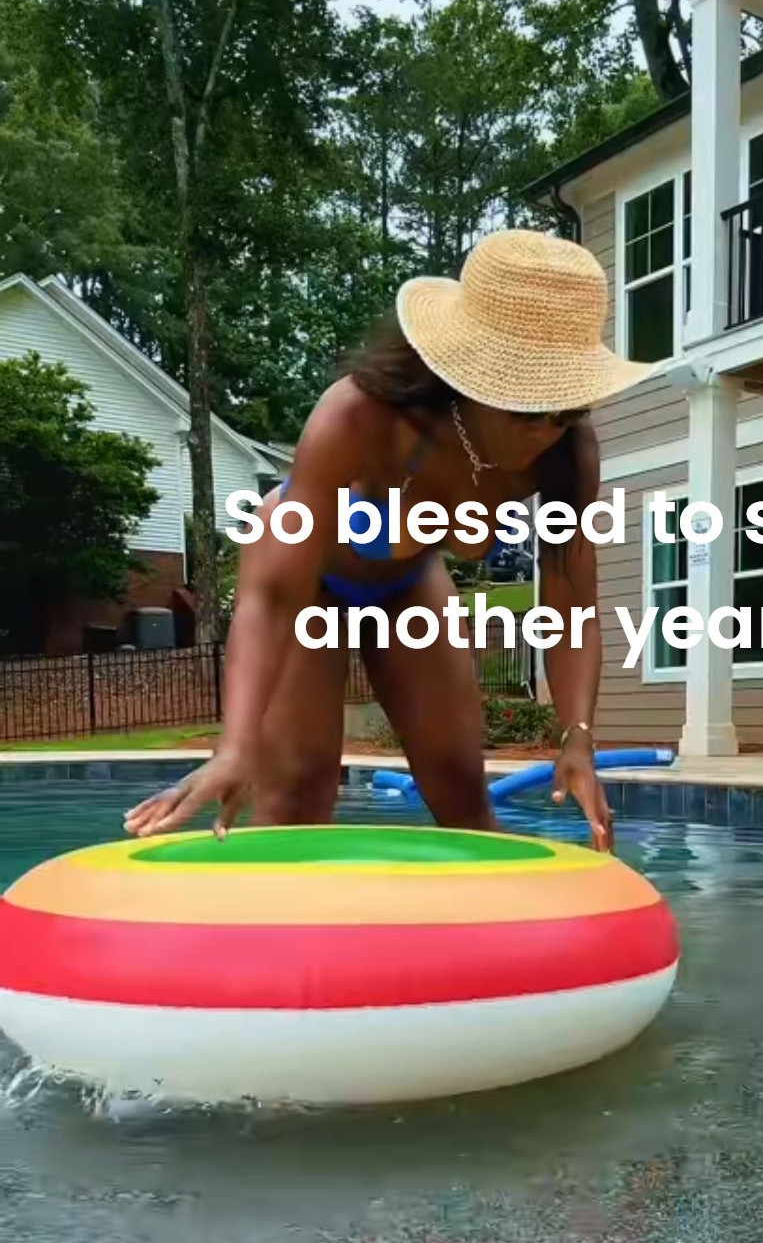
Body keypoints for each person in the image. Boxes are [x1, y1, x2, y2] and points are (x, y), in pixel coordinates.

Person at [123, 230, 655, 849]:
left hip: (405, 580)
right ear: (467, 377)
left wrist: (578, 737)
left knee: (460, 789)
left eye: (564, 411)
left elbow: (569, 606)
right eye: (525, 409)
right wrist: (235, 745)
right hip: (307, 580)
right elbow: (273, 598)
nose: (544, 432)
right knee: (298, 790)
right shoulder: (360, 417)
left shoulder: (568, 452)